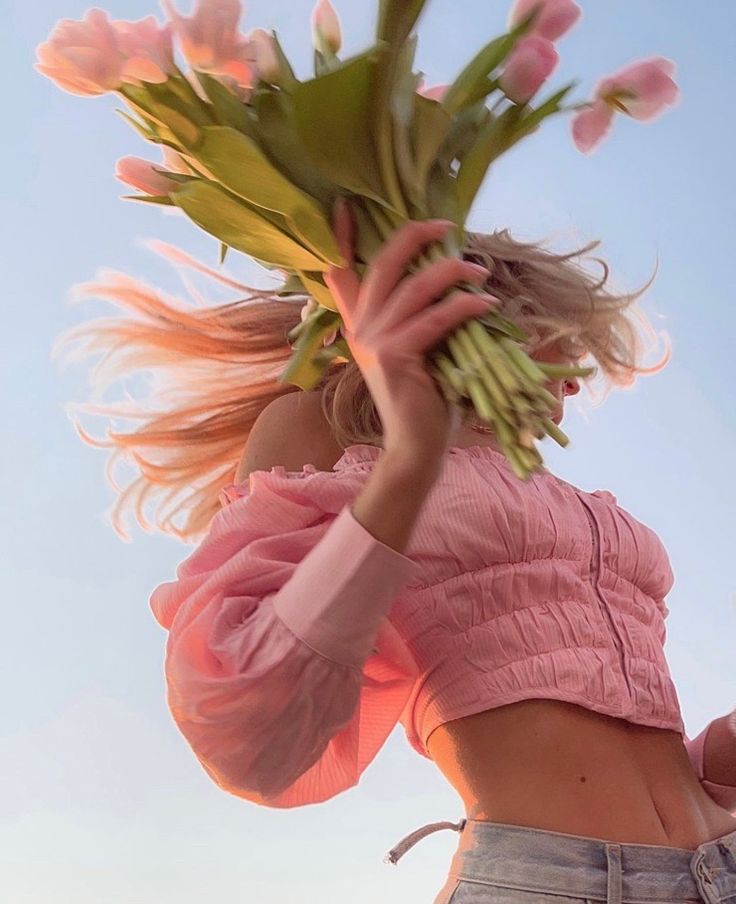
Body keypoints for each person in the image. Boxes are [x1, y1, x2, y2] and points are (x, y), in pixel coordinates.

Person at [64, 201, 736, 902]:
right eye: (561, 333)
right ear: (478, 306)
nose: (577, 379)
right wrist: (411, 455)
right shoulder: (329, 433)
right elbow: (245, 728)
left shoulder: (549, 486)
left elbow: (640, 762)